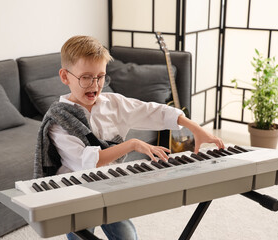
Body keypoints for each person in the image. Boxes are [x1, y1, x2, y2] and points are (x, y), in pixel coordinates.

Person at [37, 35, 224, 240]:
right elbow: (88, 162)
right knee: (81, 236)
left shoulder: (113, 103)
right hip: (77, 191)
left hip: (111, 183)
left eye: (100, 77)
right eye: (86, 77)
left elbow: (152, 111)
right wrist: (132, 144)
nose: (95, 85)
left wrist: (195, 127)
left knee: (127, 237)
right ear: (65, 77)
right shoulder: (58, 121)